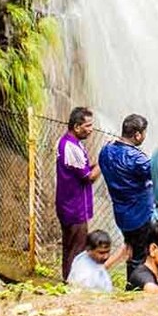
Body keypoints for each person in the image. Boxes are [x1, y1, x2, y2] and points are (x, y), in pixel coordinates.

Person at [99, 114, 153, 280]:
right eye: (144, 133)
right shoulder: (137, 159)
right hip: (140, 214)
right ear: (137, 134)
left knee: (131, 251)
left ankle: (131, 283)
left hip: (121, 214)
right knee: (140, 255)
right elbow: (155, 174)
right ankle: (135, 287)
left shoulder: (105, 151)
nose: (144, 137)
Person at [56, 106, 99, 281]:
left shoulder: (69, 142)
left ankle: (67, 280)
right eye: (87, 126)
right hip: (74, 207)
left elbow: (79, 169)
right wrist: (103, 163)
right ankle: (74, 283)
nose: (91, 130)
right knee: (77, 249)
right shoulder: (71, 146)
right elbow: (88, 177)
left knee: (69, 246)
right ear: (76, 126)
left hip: (69, 204)